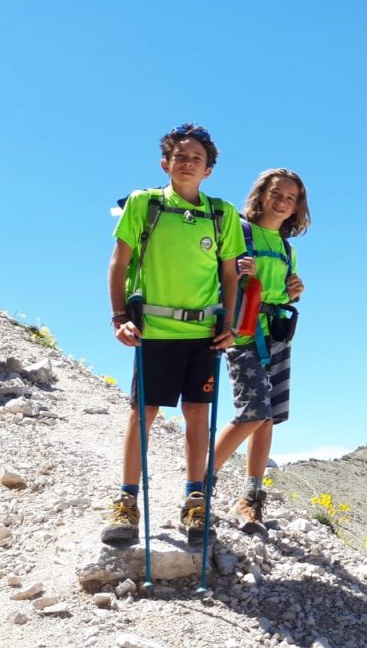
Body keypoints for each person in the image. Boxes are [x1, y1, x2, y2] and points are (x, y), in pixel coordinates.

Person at [103, 123, 242, 545]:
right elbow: (119, 263)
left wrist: (230, 323)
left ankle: (195, 501)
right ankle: (126, 504)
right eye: (180, 156)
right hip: (154, 331)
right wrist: (118, 316)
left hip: (203, 334)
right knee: (143, 413)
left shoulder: (222, 214)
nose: (187, 163)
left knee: (197, 414)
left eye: (196, 159)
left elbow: (230, 273)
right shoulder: (145, 204)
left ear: (208, 171)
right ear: (165, 163)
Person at [210, 168, 309, 534]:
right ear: (261, 195)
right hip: (242, 334)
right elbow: (218, 274)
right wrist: (237, 269)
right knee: (253, 411)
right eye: (277, 193)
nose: (282, 202)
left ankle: (250, 499)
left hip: (278, 337)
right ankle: (200, 485)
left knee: (267, 418)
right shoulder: (239, 230)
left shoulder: (286, 248)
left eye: (291, 198)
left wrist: (294, 291)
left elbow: (283, 292)